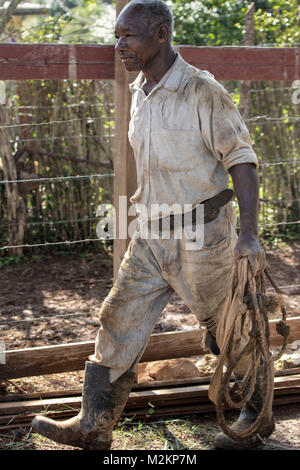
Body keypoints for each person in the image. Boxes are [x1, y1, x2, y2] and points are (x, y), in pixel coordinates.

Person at [31, 0, 274, 450]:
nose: (118, 44)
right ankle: (93, 426)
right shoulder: (140, 92)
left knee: (229, 328)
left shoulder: (202, 91)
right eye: (116, 35)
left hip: (202, 236)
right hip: (150, 233)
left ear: (161, 34)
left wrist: (250, 235)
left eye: (128, 36)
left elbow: (242, 160)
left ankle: (254, 421)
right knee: (117, 318)